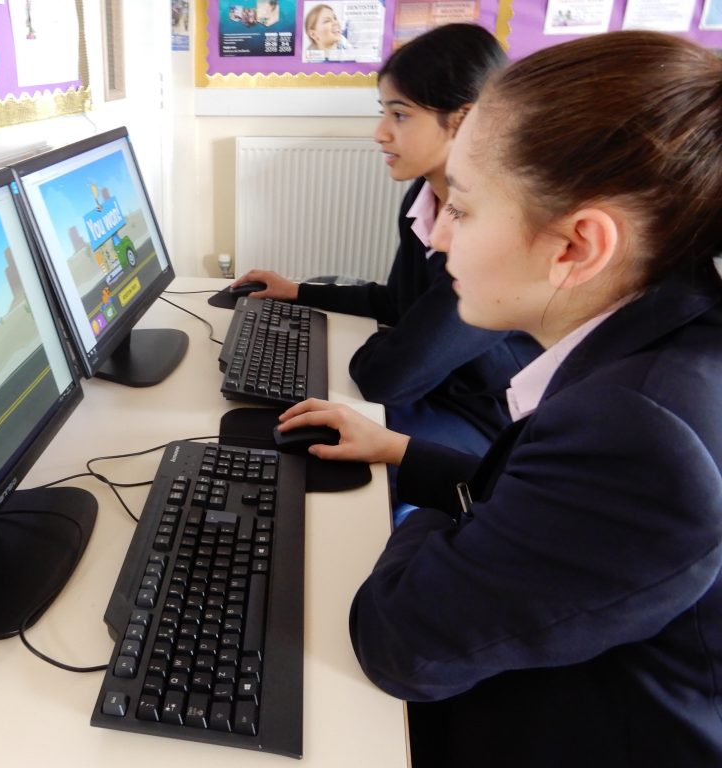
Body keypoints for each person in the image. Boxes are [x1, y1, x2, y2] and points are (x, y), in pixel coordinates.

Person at [277, 30, 722, 766]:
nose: (441, 234)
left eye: (468, 209)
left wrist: (431, 532)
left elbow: (399, 641)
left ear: (577, 246)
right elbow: (541, 510)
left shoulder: (642, 432)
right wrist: (401, 453)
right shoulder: (668, 338)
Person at [235, 24, 541, 498]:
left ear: (463, 121)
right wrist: (299, 292)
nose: (380, 134)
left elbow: (386, 380)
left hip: (482, 423)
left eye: (399, 115)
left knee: (306, 451)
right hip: (430, 388)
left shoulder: (499, 238)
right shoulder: (424, 198)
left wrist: (368, 350)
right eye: (384, 113)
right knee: (277, 423)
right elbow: (400, 304)